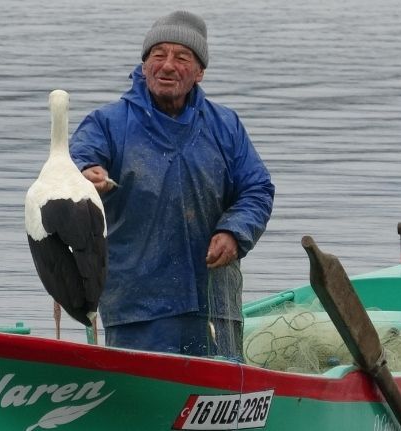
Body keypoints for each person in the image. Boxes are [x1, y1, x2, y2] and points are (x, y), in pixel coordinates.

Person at [69, 10, 274, 360]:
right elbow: (74, 160)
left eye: (182, 57)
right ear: (145, 64)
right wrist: (87, 174)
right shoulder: (107, 123)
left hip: (215, 304)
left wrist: (234, 232)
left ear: (199, 72)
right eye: (158, 55)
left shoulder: (225, 125)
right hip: (137, 307)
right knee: (142, 395)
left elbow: (256, 189)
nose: (167, 65)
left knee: (218, 396)